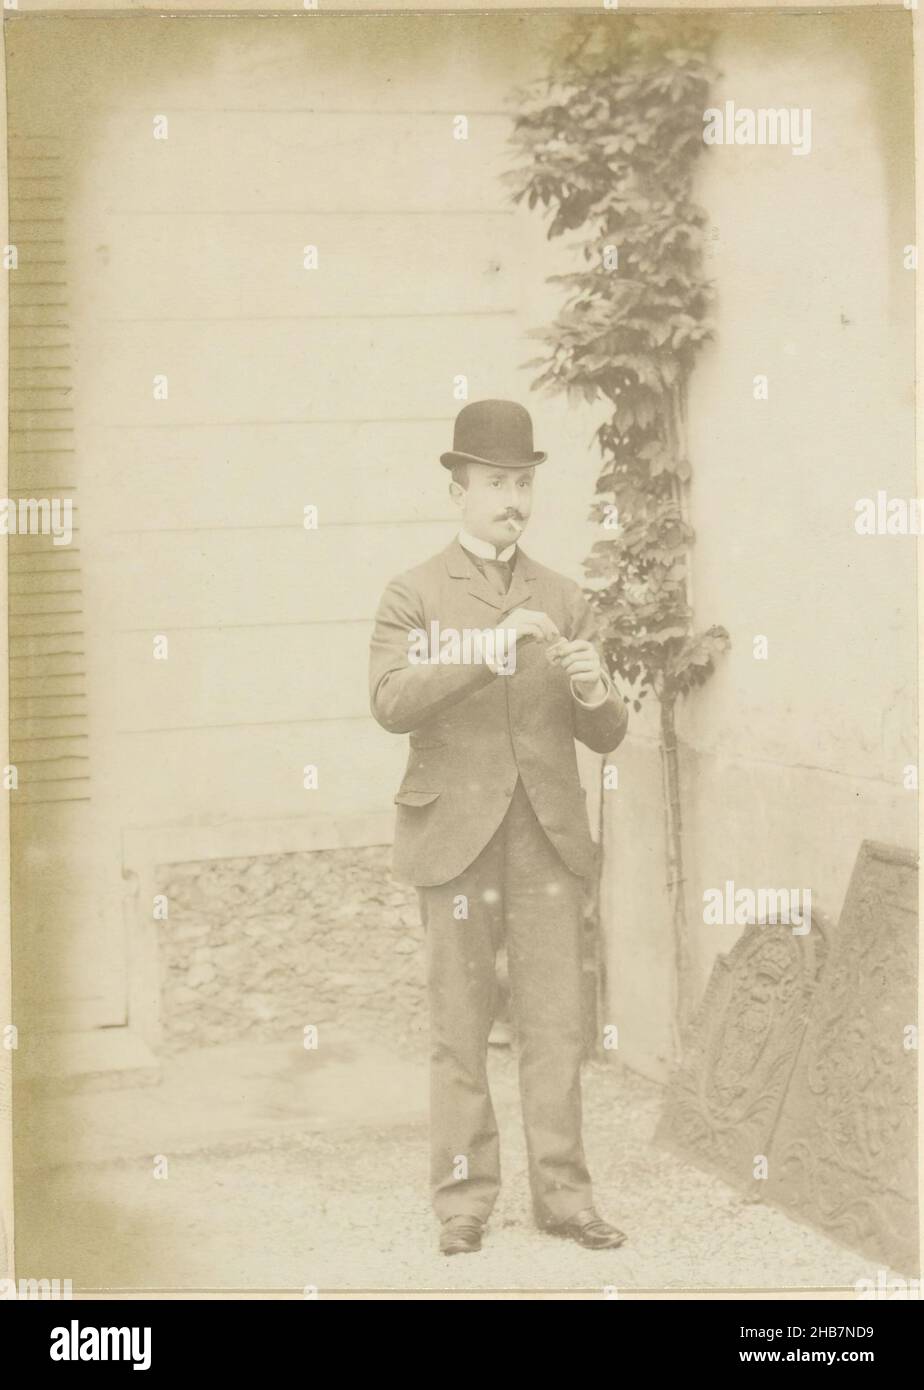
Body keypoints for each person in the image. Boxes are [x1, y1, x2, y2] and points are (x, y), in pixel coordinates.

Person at [369, 399, 629, 1255]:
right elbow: (391, 703)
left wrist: (594, 690)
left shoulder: (567, 595)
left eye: (523, 484)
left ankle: (565, 1198)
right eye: (494, 483)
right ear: (458, 488)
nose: (512, 500)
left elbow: (608, 731)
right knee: (459, 1026)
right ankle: (462, 1203)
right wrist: (487, 647)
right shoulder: (413, 592)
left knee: (556, 1027)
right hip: (454, 839)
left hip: (546, 839)